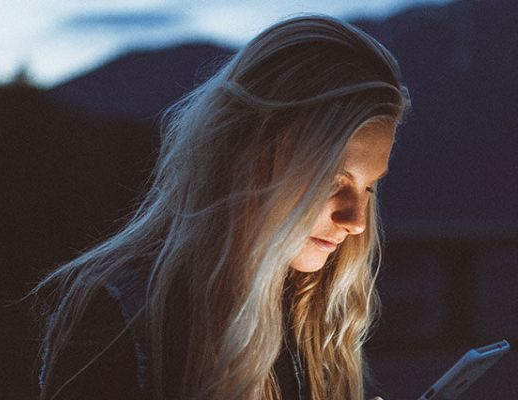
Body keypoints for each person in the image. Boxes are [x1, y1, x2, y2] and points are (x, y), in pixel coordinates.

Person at [29, 12, 411, 400]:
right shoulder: (122, 322)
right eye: (332, 181)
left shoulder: (312, 322)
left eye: (370, 188)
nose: (356, 221)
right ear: (249, 153)